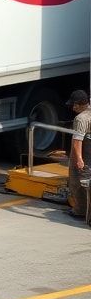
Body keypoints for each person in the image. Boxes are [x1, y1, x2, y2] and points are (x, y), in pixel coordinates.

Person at [66, 89, 91, 219]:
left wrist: (79, 160)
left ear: (79, 104)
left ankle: (81, 210)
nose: (73, 107)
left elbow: (77, 141)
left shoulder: (80, 119)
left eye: (74, 104)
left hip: (85, 155)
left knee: (77, 182)